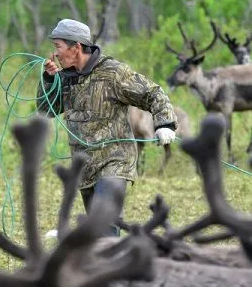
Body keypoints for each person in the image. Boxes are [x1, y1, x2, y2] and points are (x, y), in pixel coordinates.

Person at [37, 19, 177, 236]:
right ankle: (101, 267)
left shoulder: (113, 73)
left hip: (115, 163)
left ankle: (115, 267)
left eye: (58, 47)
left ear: (76, 47)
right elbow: (46, 110)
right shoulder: (64, 78)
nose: (54, 54)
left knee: (105, 224)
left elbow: (153, 93)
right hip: (84, 166)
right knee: (95, 230)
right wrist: (49, 79)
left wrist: (165, 123)